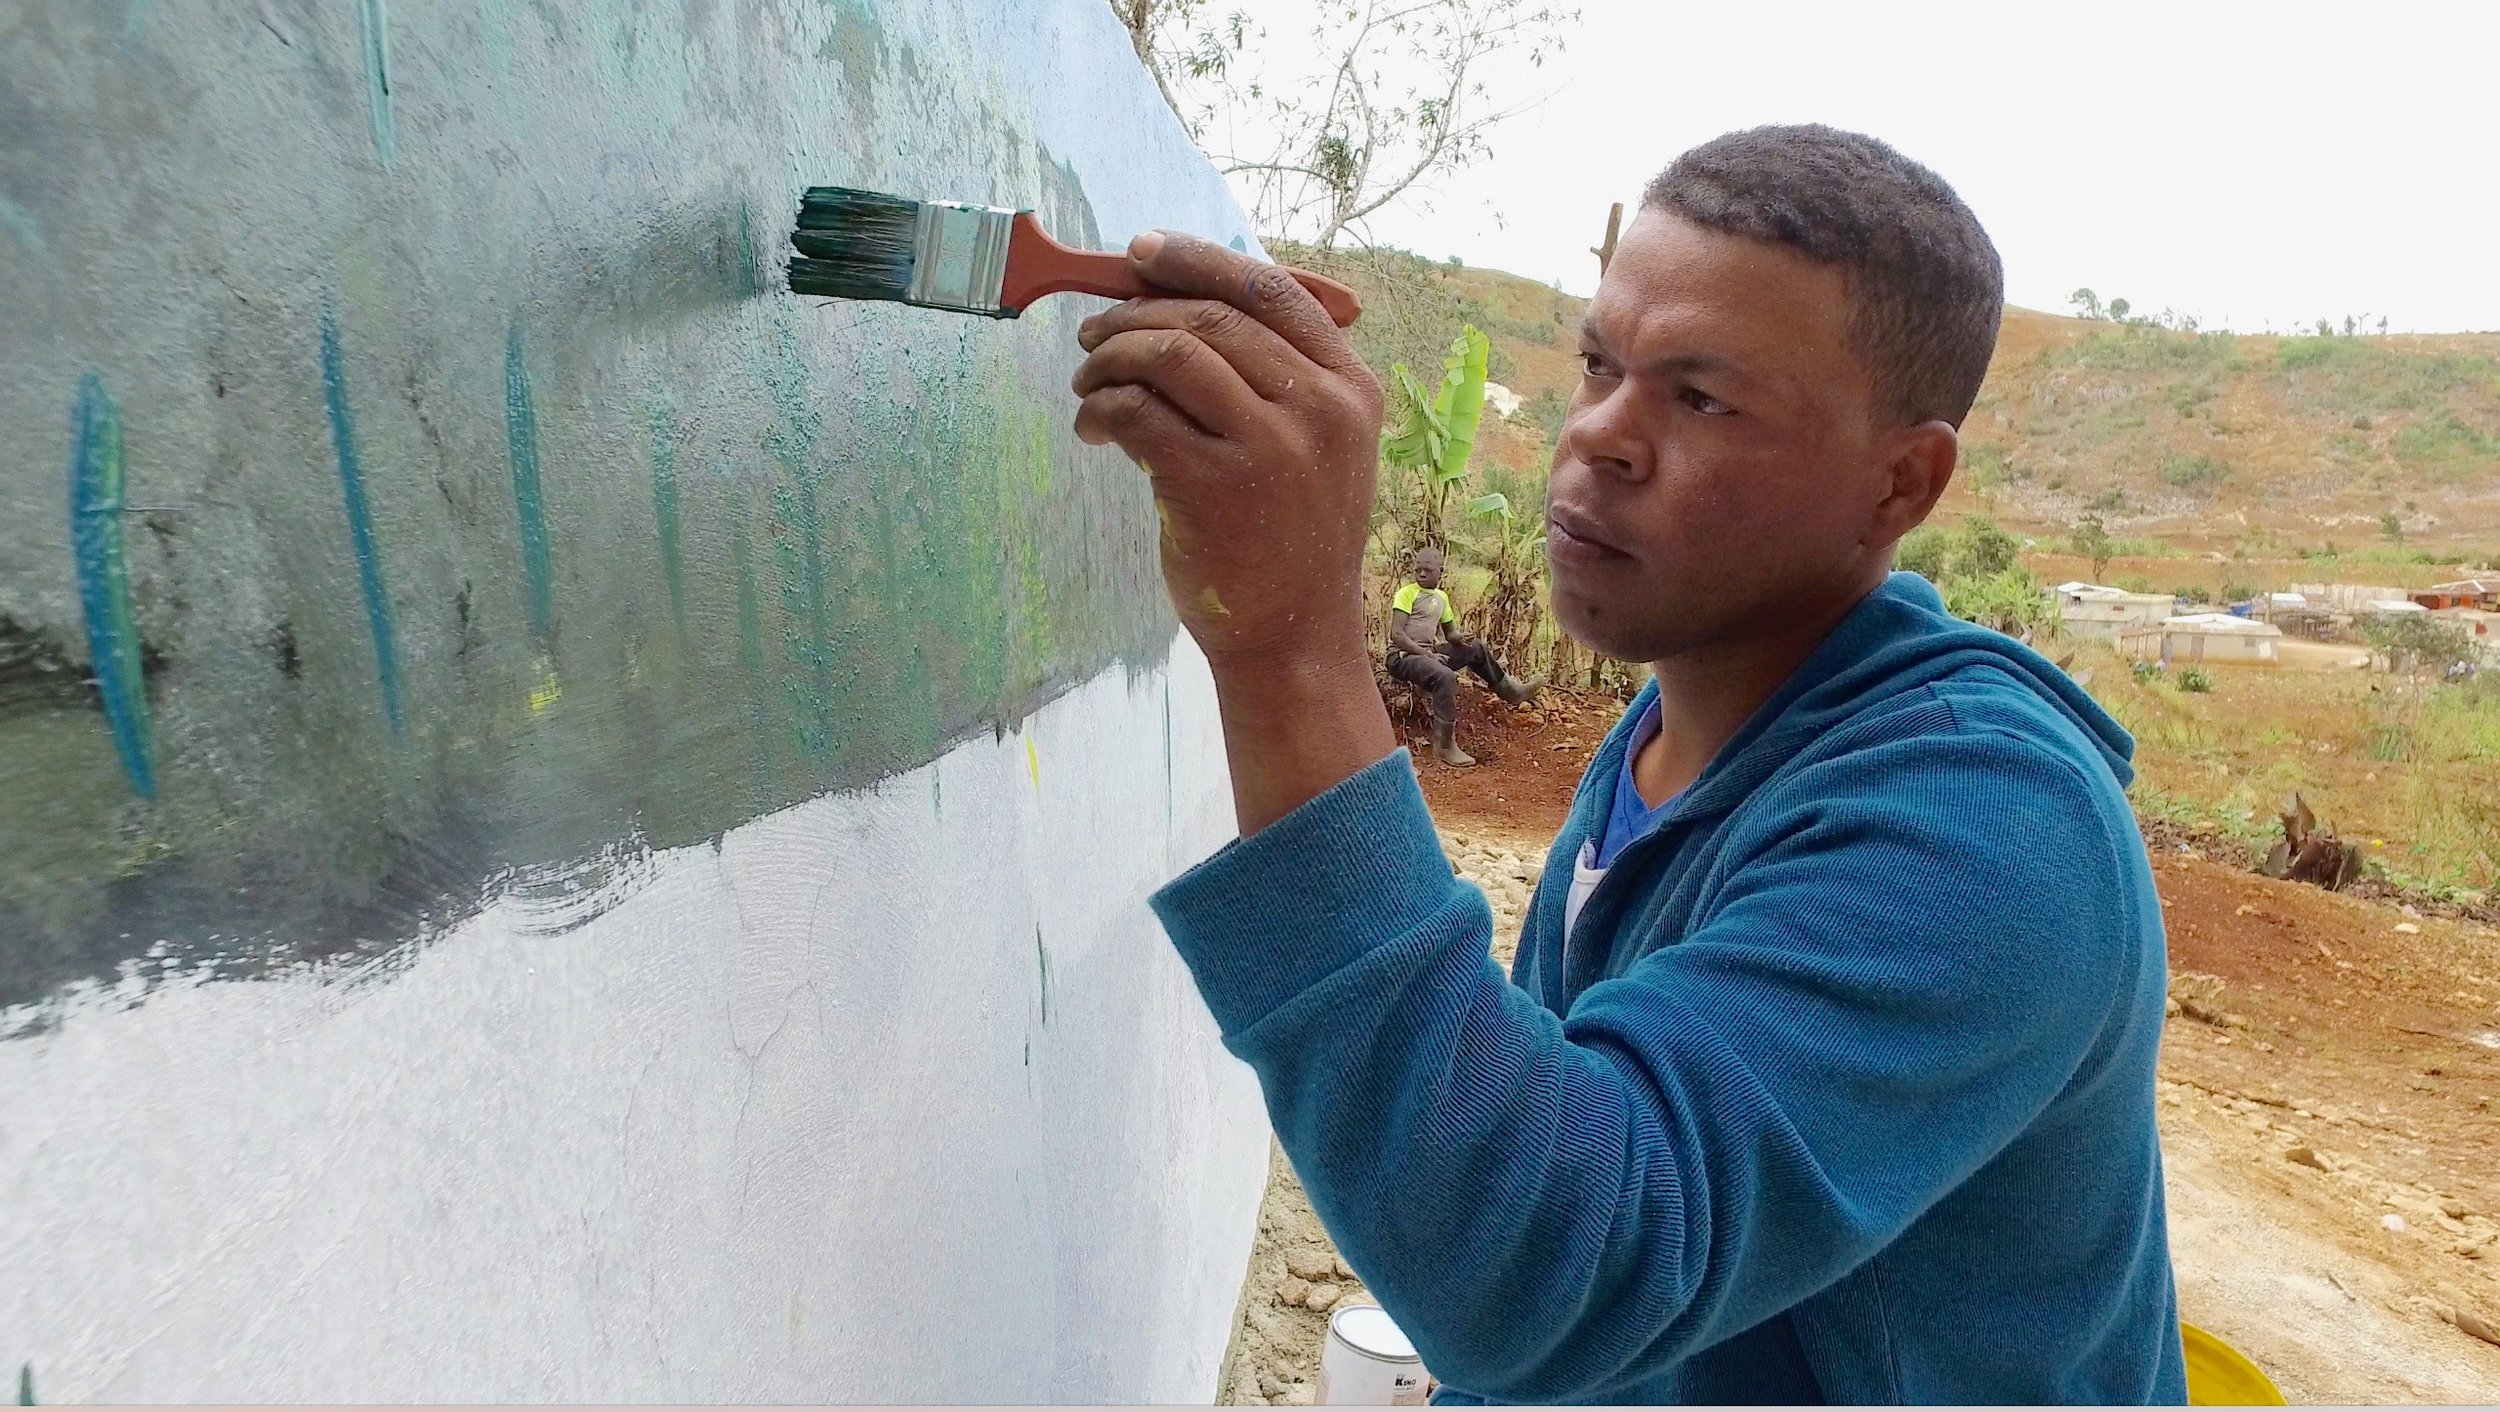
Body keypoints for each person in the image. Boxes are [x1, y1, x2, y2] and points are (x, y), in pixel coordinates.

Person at [1069, 124, 2183, 1403]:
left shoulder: (1994, 827)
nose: (1599, 434)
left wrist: (1286, 649)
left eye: (1700, 397)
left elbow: (1547, 1266)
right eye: (1600, 364)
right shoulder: (1679, 728)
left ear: (1900, 483)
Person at [1386, 544, 1540, 767]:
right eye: (1418, 569)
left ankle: (1512, 691)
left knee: (1476, 648)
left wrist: (1460, 638)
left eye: (1427, 570)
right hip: (1401, 657)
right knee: (1445, 676)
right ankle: (1444, 746)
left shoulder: (1441, 597)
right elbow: (1397, 634)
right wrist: (1427, 655)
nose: (1421, 573)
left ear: (1441, 571)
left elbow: (1450, 633)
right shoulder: (1407, 593)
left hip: (1425, 653)